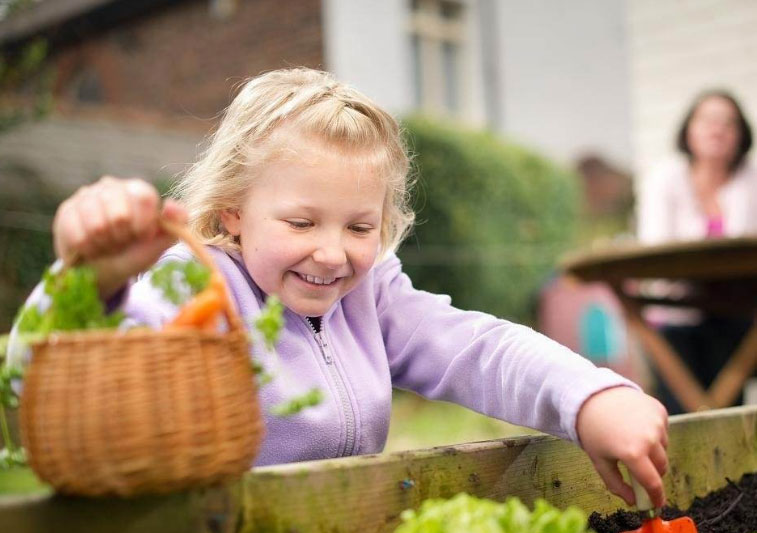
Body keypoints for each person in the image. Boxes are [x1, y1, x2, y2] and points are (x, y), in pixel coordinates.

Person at [13, 68, 668, 508]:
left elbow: (473, 348)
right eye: (301, 222)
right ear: (234, 211)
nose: (332, 252)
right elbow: (43, 368)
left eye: (360, 225)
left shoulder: (371, 294)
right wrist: (87, 281)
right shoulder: (195, 283)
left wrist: (587, 398)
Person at [636, 89, 757, 413]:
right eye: (707, 120)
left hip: (736, 315)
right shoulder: (664, 178)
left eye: (729, 123)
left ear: (741, 135)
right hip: (674, 312)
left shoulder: (752, 180)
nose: (718, 129)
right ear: (688, 131)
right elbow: (655, 250)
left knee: (730, 405)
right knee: (680, 408)